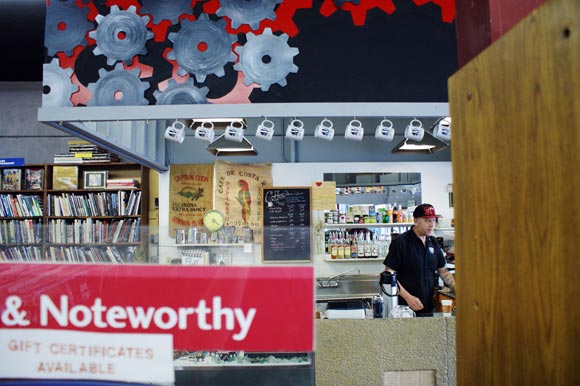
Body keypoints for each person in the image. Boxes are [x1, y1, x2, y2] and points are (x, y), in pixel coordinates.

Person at [383, 203, 455, 315]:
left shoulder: (433, 242)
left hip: (429, 307)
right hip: (404, 309)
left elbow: (443, 272)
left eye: (433, 220)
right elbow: (388, 275)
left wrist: (458, 291)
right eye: (427, 220)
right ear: (416, 221)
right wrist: (408, 298)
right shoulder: (401, 242)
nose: (431, 224)